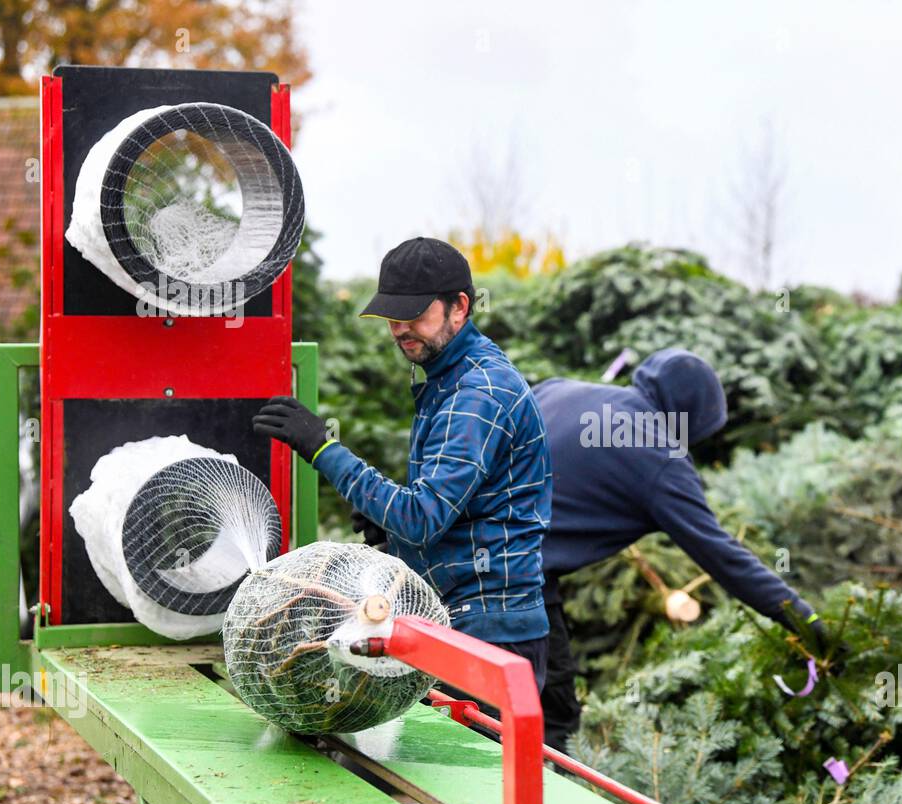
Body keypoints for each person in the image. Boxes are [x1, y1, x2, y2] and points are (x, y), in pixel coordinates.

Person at [252, 237, 553, 690]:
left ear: (460, 307)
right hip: (466, 621)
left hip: (488, 635)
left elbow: (423, 518)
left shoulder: (476, 393)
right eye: (392, 317)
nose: (399, 329)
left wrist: (322, 449)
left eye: (414, 314)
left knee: (462, 762)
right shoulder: (450, 377)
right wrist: (388, 528)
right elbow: (452, 508)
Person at [534, 348, 823, 751]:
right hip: (507, 585)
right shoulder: (660, 458)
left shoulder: (561, 390)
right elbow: (723, 556)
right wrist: (809, 623)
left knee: (475, 700)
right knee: (550, 724)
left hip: (447, 554)